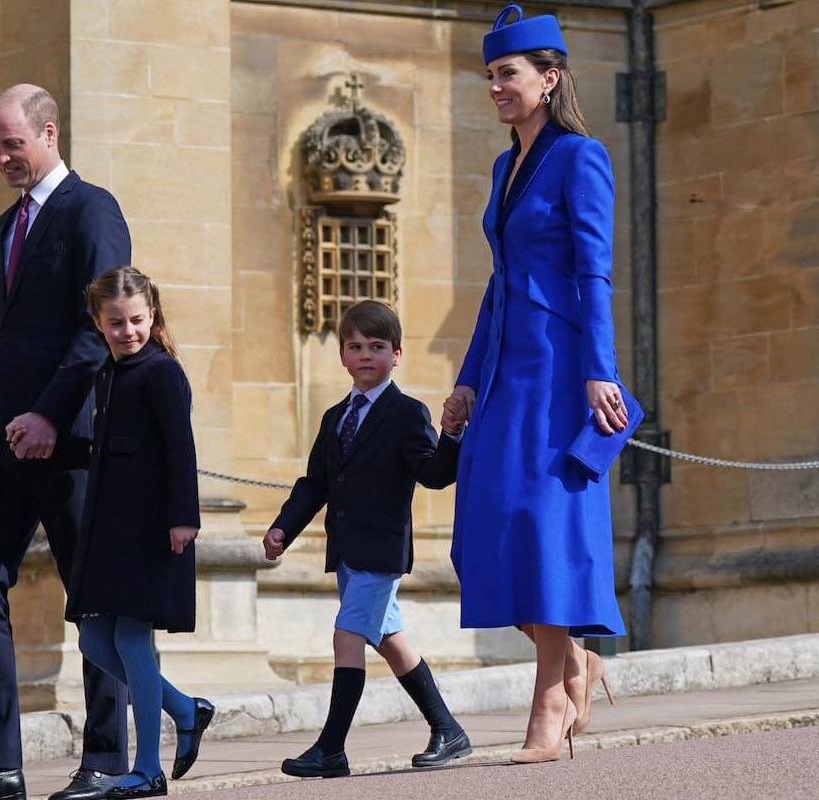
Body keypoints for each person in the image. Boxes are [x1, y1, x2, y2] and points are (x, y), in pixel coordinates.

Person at [442, 3, 626, 766]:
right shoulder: (502, 166)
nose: (496, 87)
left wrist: (599, 371)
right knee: (483, 530)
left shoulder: (580, 157)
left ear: (548, 79)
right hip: (504, 372)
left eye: (508, 74)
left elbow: (595, 273)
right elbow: (499, 284)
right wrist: (465, 381)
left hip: (559, 371)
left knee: (543, 530)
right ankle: (580, 659)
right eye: (489, 75)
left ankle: (550, 699)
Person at [0, 84, 132, 800]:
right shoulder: (4, 228)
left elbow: (104, 326)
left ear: (49, 133)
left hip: (76, 438)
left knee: (94, 600)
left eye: (12, 144)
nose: (1, 158)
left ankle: (108, 763)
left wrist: (53, 414)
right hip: (8, 442)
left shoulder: (93, 210)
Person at [263, 300, 469, 779]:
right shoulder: (336, 417)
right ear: (341, 355)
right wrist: (282, 528)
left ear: (397, 354)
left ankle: (331, 749)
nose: (365, 356)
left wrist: (452, 434)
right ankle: (448, 729)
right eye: (355, 347)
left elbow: (434, 475)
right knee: (391, 640)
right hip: (347, 552)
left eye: (377, 347)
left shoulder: (406, 413)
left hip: (381, 552)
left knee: (347, 635)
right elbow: (315, 483)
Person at [56, 266, 213, 799]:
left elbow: (180, 449)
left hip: (152, 526)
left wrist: (183, 518)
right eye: (116, 322)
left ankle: (147, 768)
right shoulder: (108, 372)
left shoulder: (161, 373)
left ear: (152, 316)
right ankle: (186, 709)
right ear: (99, 323)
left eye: (137, 320)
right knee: (94, 637)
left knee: (129, 637)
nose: (128, 331)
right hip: (110, 527)